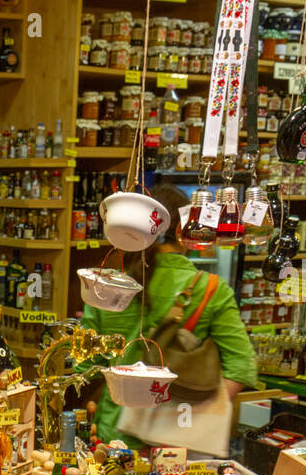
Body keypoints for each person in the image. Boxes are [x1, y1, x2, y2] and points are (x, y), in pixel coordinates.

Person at [82, 183, 258, 448]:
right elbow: (242, 368)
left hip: (113, 435)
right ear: (183, 231)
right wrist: (197, 414)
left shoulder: (105, 287)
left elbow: (86, 365)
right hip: (177, 442)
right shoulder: (210, 290)